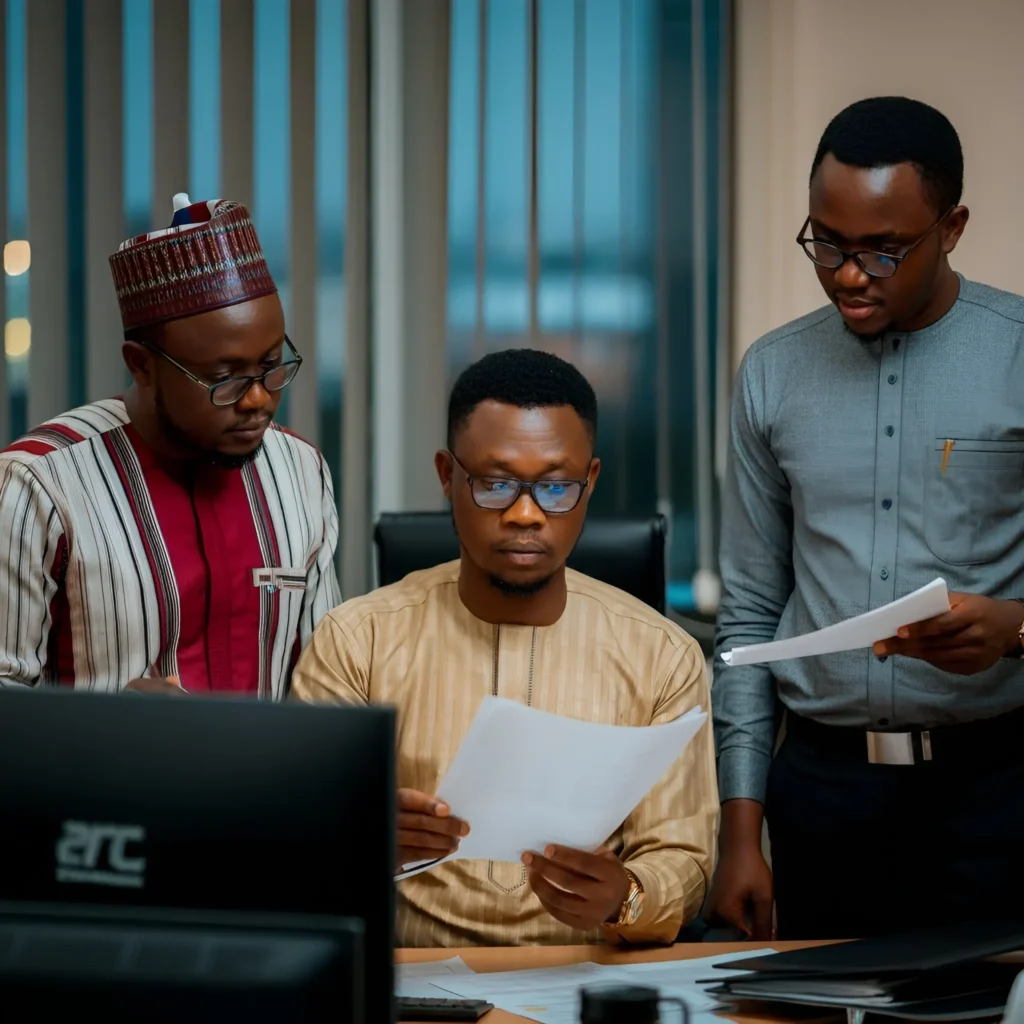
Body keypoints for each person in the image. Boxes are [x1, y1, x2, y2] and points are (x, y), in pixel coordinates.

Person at [708, 97, 1024, 940]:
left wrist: (1015, 629)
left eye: (883, 250)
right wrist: (740, 834)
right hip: (822, 796)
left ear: (951, 228)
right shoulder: (771, 373)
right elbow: (748, 616)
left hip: (998, 791)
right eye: (828, 243)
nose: (849, 275)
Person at [292, 348, 717, 947]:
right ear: (447, 476)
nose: (525, 515)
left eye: (556, 487)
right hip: (412, 980)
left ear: (591, 482)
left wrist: (625, 896)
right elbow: (299, 844)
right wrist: (364, 841)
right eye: (495, 484)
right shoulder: (356, 641)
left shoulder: (662, 655)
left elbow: (683, 857)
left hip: (585, 980)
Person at [0, 194, 340, 696]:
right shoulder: (38, 487)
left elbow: (325, 683)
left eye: (271, 366)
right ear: (141, 365)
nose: (257, 399)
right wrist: (109, 726)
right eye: (224, 379)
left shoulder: (301, 471)